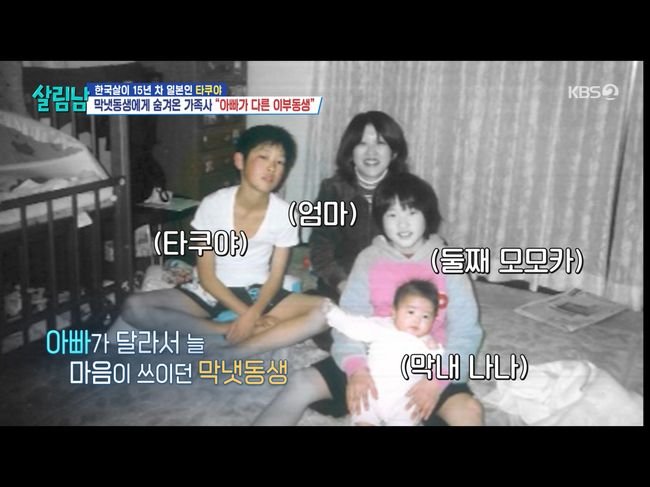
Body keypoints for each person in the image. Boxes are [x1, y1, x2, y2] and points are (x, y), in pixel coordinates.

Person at [254, 173, 484, 426]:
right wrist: (357, 370)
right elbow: (351, 319)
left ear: (427, 215)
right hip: (373, 357)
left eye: (411, 213)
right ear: (381, 220)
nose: (402, 224)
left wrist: (435, 382)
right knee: (301, 382)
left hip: (428, 365)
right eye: (392, 215)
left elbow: (465, 332)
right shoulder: (369, 259)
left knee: (468, 410)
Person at [110, 125, 327, 356]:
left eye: (280, 162)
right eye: (263, 157)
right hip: (210, 291)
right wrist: (248, 317)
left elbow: (276, 277)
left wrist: (255, 312)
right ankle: (223, 330)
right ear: (240, 161)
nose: (272, 167)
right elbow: (206, 276)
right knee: (133, 307)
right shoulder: (212, 205)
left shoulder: (285, 214)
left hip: (258, 291)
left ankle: (231, 353)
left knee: (327, 312)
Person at [308, 111, 409, 349]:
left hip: (392, 289)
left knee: (419, 325)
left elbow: (420, 248)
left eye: (380, 143)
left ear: (394, 152)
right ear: (350, 152)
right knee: (324, 321)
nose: (371, 152)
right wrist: (344, 285)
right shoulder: (333, 190)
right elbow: (320, 249)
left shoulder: (408, 191)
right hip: (343, 284)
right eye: (362, 143)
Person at [323, 279, 444, 426]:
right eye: (411, 312)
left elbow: (443, 366)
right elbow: (354, 326)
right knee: (363, 417)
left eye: (425, 316)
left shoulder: (428, 343)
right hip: (371, 393)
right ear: (394, 311)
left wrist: (437, 351)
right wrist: (333, 314)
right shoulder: (382, 326)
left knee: (407, 416)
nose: (417, 320)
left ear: (433, 320)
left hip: (404, 402)